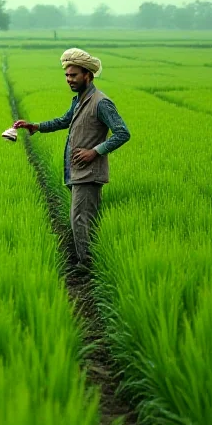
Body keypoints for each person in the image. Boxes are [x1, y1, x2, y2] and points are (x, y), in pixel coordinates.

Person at [14, 48, 130, 272]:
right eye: (67, 75)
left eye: (74, 75)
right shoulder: (79, 101)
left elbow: (122, 133)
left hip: (89, 172)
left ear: (87, 74)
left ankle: (86, 265)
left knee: (80, 219)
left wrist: (95, 151)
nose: (69, 80)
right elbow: (64, 120)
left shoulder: (101, 102)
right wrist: (35, 126)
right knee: (85, 218)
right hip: (77, 171)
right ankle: (90, 260)